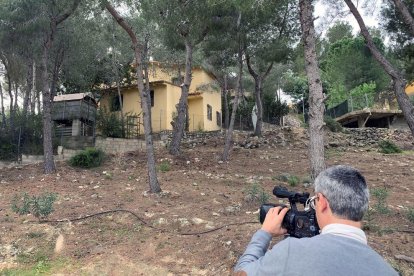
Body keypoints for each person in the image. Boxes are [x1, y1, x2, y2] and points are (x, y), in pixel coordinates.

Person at [234, 165, 398, 276]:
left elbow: (242, 271)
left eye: (314, 201)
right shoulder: (388, 271)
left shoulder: (291, 251)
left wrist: (264, 233)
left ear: (323, 202)